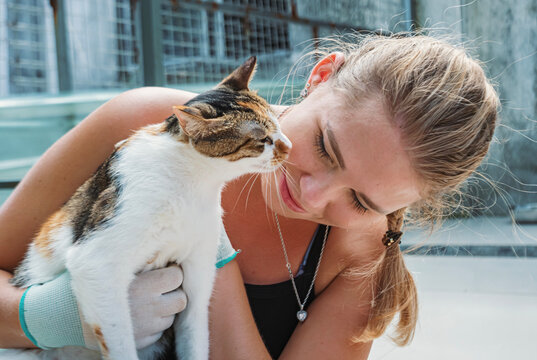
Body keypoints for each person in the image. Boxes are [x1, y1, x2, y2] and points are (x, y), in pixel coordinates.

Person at [0, 33, 499, 359]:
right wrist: (45, 315)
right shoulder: (147, 127)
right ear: (320, 76)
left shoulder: (363, 254)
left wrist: (208, 244)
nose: (311, 193)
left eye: (363, 202)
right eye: (325, 147)